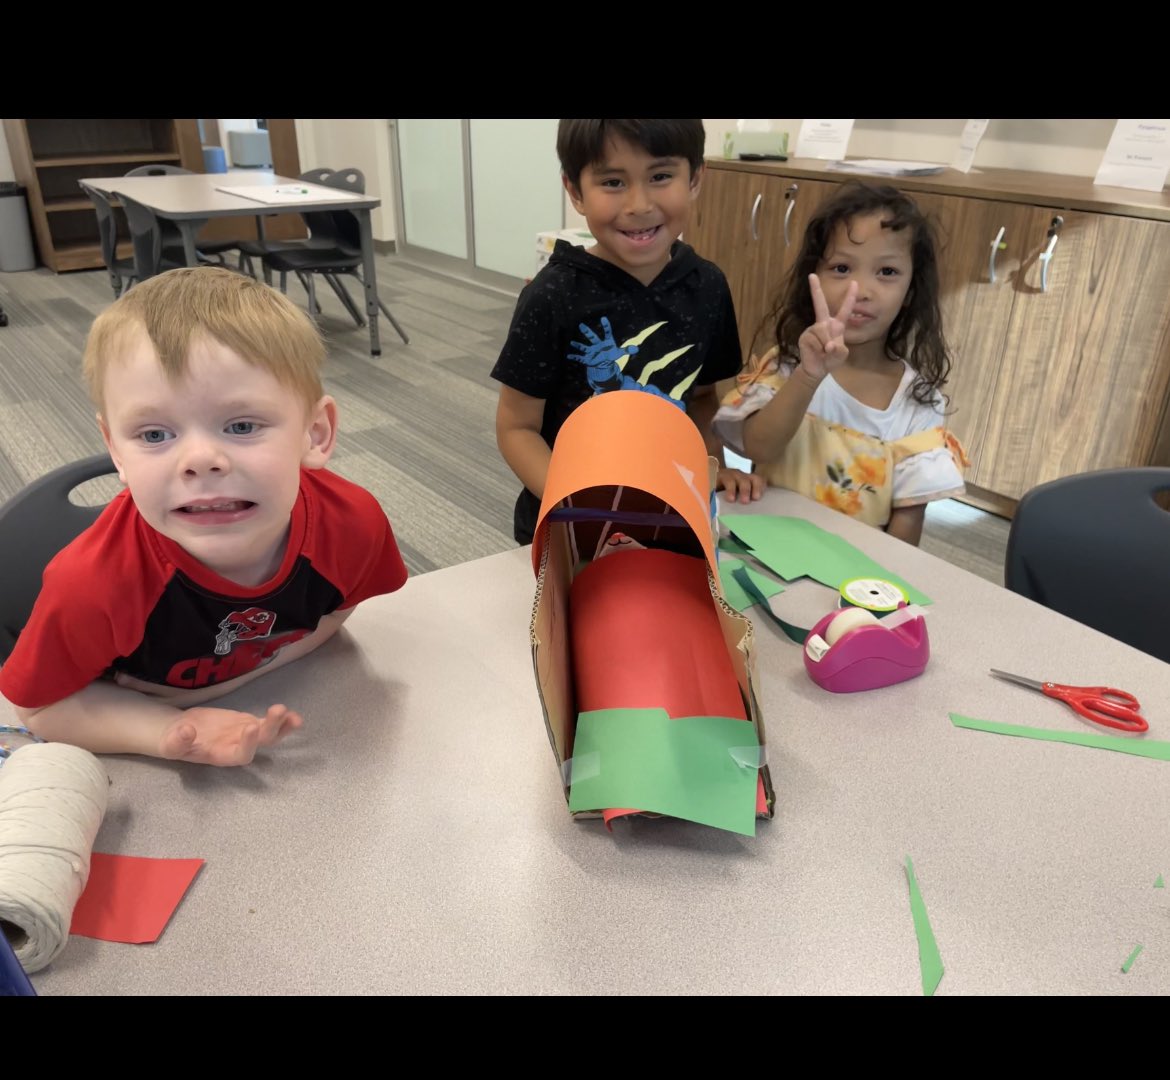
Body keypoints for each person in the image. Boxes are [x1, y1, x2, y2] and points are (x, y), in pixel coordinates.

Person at [0, 267, 408, 765]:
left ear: (315, 434)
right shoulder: (93, 584)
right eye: (154, 435)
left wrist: (222, 686)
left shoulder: (352, 524)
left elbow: (340, 608)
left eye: (242, 425)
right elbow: (39, 707)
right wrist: (168, 726)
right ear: (116, 451)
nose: (199, 460)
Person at [492, 118, 764, 546]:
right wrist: (573, 503)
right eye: (613, 182)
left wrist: (713, 466)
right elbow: (516, 428)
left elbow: (703, 397)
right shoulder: (553, 294)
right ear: (575, 191)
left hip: (668, 517)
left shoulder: (708, 286)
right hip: (569, 528)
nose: (639, 204)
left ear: (695, 179)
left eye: (660, 176)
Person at [714, 181, 968, 545]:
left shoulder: (918, 402)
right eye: (842, 268)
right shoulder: (788, 365)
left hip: (856, 566)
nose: (859, 291)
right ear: (813, 278)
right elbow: (758, 449)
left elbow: (908, 523)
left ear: (910, 292)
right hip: (764, 548)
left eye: (887, 272)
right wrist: (808, 375)